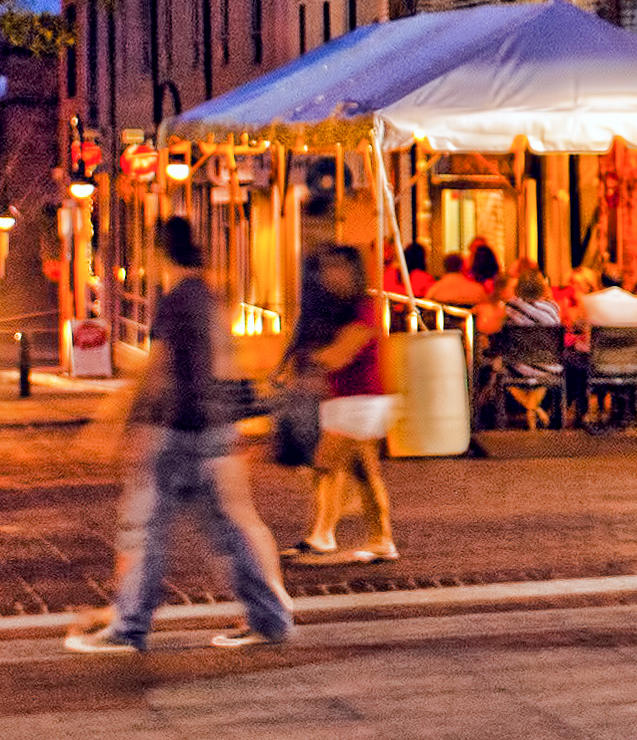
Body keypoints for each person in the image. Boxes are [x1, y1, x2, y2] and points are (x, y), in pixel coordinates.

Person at [65, 219, 293, 653]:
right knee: (227, 532)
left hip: (176, 432)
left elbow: (158, 369)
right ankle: (269, 618)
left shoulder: (174, 301)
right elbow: (227, 365)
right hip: (212, 431)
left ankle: (129, 626)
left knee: (145, 530)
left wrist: (121, 423)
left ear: (158, 254)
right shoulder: (211, 298)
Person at [285, 245, 398, 566]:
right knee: (363, 473)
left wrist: (316, 360)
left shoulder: (364, 306)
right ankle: (381, 539)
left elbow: (344, 351)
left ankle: (322, 536)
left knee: (325, 466)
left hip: (363, 400)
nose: (332, 274)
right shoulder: (333, 308)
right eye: (328, 267)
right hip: (345, 400)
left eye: (339, 267)